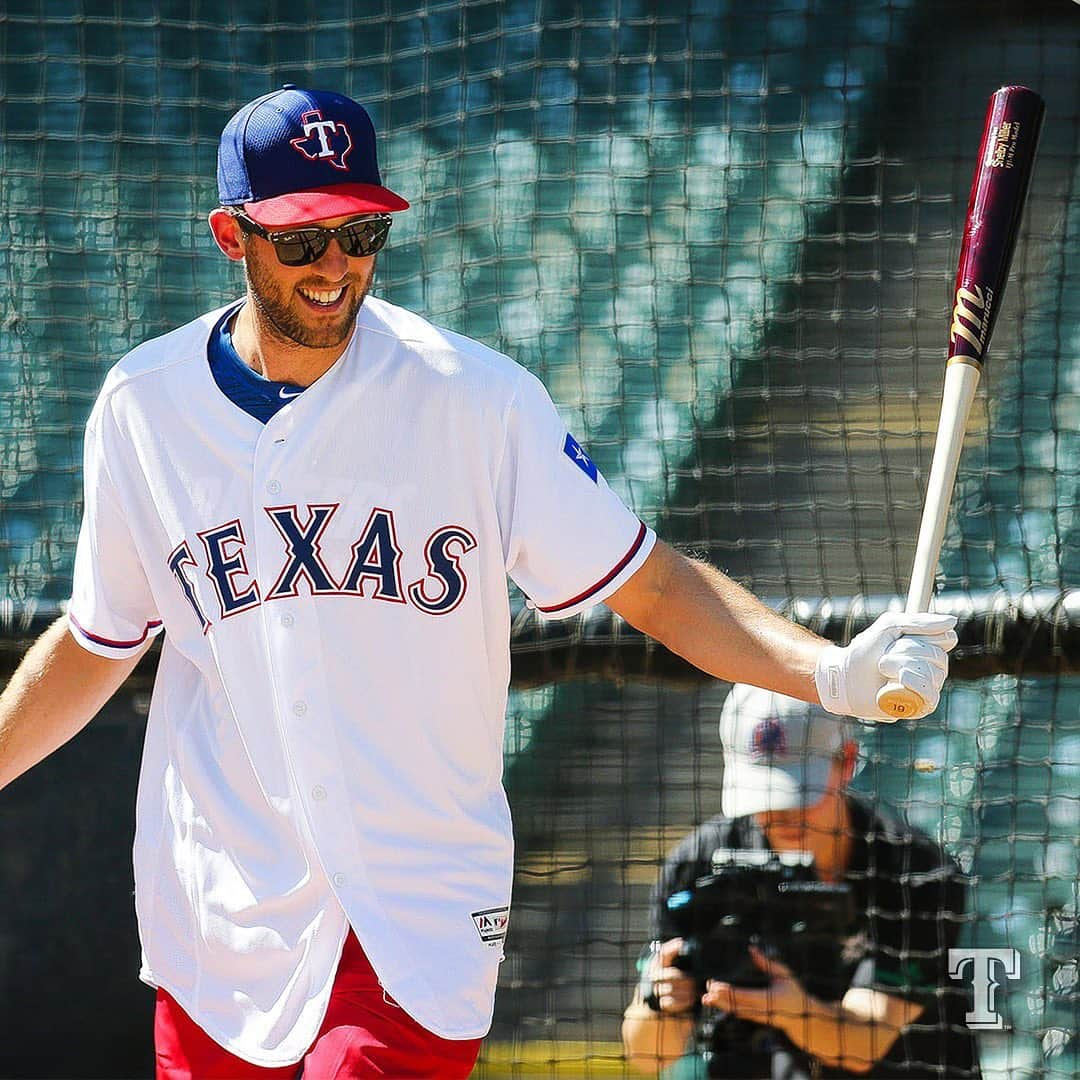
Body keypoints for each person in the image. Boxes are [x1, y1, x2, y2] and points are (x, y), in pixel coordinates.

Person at [0, 85, 958, 1080]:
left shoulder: (474, 400)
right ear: (229, 235)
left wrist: (833, 675)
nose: (337, 266)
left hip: (412, 912)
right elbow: (97, 637)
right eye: (302, 239)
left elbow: (654, 582)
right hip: (221, 914)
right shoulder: (144, 407)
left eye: (362, 233)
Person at [622, 684, 979, 1079]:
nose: (782, 813)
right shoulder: (700, 866)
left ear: (846, 761)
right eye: (765, 795)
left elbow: (863, 1045)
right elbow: (647, 1054)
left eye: (799, 792)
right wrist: (661, 1004)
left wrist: (792, 1011)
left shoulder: (915, 871)